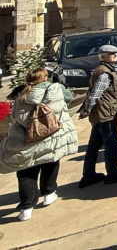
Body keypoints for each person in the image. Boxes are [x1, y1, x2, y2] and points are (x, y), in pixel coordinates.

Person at [0, 68, 77, 222]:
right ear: (45, 78)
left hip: (26, 139)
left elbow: (15, 116)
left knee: (26, 172)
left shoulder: (21, 94)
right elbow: (70, 98)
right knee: (50, 161)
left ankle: (27, 207)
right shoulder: (55, 89)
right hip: (50, 135)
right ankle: (49, 194)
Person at [78, 44, 117, 188]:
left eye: (115, 54)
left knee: (94, 145)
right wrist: (86, 110)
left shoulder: (106, 70)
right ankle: (112, 172)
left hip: (104, 113)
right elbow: (95, 93)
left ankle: (88, 174)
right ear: (102, 57)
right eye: (111, 54)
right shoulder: (105, 73)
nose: (115, 56)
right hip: (106, 114)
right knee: (111, 143)